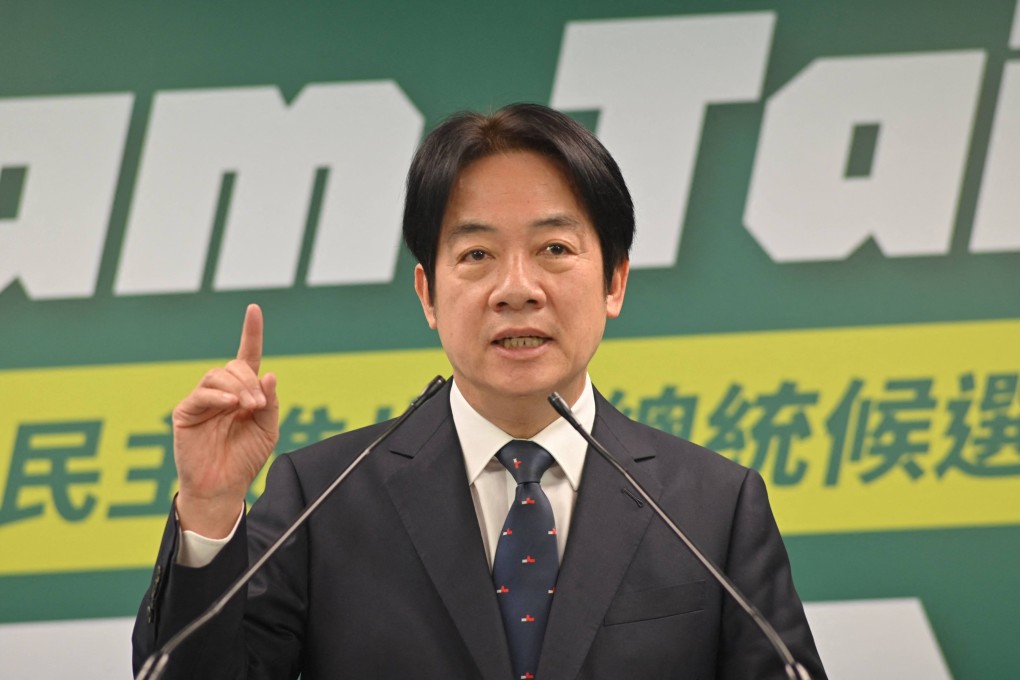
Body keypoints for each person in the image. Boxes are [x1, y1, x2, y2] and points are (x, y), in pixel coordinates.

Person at [132, 103, 827, 679]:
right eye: (476, 255)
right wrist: (210, 508)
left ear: (614, 281)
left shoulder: (712, 509)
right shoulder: (321, 501)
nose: (516, 289)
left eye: (554, 249)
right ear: (428, 295)